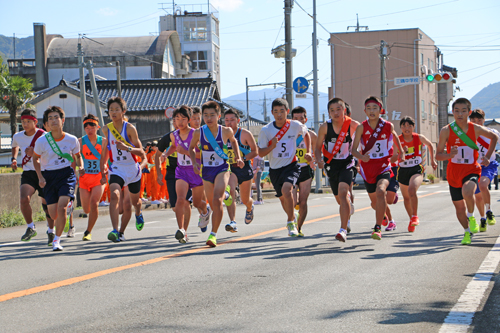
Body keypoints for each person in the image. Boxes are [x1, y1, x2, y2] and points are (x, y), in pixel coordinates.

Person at [436, 98, 498, 245]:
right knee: (459, 208)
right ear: (452, 112)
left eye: (463, 111)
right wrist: (449, 155)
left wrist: (488, 157)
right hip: (453, 173)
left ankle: (471, 217)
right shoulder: (446, 130)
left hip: (471, 169)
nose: (460, 114)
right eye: (456, 110)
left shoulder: (475, 128)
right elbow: (438, 155)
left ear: (468, 112)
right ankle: (466, 231)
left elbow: (494, 137)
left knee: (468, 190)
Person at [190, 101, 243, 247]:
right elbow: (191, 148)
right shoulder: (198, 132)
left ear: (219, 116)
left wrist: (238, 157)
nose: (209, 118)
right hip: (206, 170)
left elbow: (234, 142)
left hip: (222, 168)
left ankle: (213, 234)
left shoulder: (226, 131)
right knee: (213, 203)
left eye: (212, 115)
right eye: (205, 115)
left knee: (216, 198)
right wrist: (194, 162)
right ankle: (227, 196)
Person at [351, 96, 405, 240]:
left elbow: (394, 136)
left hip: (383, 166)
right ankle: (384, 216)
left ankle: (377, 228)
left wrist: (401, 151)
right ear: (364, 111)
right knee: (374, 202)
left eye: (375, 108)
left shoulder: (388, 126)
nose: (372, 111)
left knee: (381, 191)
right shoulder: (361, 127)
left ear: (381, 110)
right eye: (368, 108)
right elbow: (353, 150)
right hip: (368, 168)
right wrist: (361, 158)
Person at [258, 98, 311, 237]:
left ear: (287, 112)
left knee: (287, 189)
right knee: (283, 198)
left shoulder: (295, 125)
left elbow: (307, 135)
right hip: (275, 169)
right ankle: (292, 215)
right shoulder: (266, 130)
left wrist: (309, 151)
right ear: (272, 113)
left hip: (291, 165)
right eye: (276, 112)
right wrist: (271, 146)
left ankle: (290, 221)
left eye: (282, 111)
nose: (279, 114)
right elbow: (260, 152)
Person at [33, 106, 82, 251]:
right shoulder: (42, 141)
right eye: (50, 118)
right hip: (48, 176)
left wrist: (81, 166)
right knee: (53, 214)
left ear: (63, 120)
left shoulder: (72, 139)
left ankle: (57, 240)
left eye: (56, 117)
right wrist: (40, 176)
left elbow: (78, 156)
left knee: (61, 208)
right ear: (46, 124)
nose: (53, 121)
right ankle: (67, 208)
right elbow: (35, 159)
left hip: (66, 174)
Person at [99, 97, 147, 243]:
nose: (113, 112)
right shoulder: (107, 129)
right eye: (111, 110)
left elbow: (142, 153)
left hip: (132, 170)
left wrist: (127, 148)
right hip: (117, 169)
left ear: (123, 111)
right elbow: (106, 150)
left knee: (132, 203)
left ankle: (138, 213)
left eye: (117, 109)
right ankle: (115, 230)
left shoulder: (130, 129)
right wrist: (102, 169)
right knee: (114, 195)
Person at [164, 105, 211, 243]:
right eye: (177, 118)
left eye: (183, 118)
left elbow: (203, 153)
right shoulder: (174, 135)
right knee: (181, 200)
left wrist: (185, 152)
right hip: (181, 171)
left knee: (197, 202)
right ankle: (182, 231)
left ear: (189, 120)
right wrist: (166, 154)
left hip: (196, 170)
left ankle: (205, 210)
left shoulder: (196, 134)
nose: (180, 121)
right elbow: (174, 146)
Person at [316, 98, 359, 242]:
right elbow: (317, 148)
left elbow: (366, 138)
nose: (335, 113)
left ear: (344, 110)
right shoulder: (324, 127)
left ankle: (343, 229)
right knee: (340, 199)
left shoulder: (353, 125)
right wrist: (319, 160)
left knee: (343, 192)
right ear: (328, 112)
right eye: (332, 110)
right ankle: (347, 211)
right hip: (331, 165)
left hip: (348, 163)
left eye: (338, 109)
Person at [12, 109, 55, 245]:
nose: (25, 124)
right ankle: (31, 227)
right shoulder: (18, 136)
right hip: (29, 173)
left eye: (28, 122)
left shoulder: (45, 136)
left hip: (44, 172)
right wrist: (14, 159)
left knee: (47, 205)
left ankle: (51, 230)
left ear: (35, 122)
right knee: (24, 198)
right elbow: (15, 146)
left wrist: (36, 154)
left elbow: (52, 153)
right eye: (23, 122)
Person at [156, 117, 195, 238]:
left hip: (187, 170)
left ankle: (183, 231)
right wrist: (158, 173)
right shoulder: (168, 138)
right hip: (172, 172)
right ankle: (182, 228)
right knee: (175, 206)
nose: (179, 123)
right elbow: (157, 155)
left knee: (185, 202)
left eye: (182, 119)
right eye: (175, 121)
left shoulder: (192, 134)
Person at [397, 116, 437, 232]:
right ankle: (411, 219)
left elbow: (430, 145)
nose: (406, 128)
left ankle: (415, 216)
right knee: (406, 198)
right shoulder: (398, 140)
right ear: (401, 128)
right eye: (404, 126)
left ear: (413, 127)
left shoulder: (419, 137)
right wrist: (401, 153)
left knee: (412, 190)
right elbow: (392, 157)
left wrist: (433, 160)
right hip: (403, 169)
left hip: (416, 168)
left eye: (409, 125)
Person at [223, 108, 258, 232]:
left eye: (232, 120)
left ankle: (250, 207)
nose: (229, 123)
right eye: (226, 120)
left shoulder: (245, 134)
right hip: (229, 169)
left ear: (238, 121)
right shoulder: (221, 134)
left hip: (243, 168)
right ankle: (233, 221)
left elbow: (255, 151)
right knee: (230, 191)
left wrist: (243, 158)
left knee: (244, 199)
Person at [469, 109, 499, 230]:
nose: (476, 122)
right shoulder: (467, 134)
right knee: (478, 196)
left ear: (484, 120)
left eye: (479, 120)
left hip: (489, 165)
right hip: (473, 166)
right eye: (473, 120)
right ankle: (482, 218)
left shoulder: (492, 132)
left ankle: (489, 211)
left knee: (483, 185)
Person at [78, 114, 107, 241]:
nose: (90, 130)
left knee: (94, 203)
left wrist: (105, 168)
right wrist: (78, 168)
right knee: (86, 208)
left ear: (98, 127)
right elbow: (76, 158)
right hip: (84, 177)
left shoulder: (104, 141)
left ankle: (88, 231)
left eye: (92, 127)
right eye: (87, 128)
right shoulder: (80, 142)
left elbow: (106, 158)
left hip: (98, 177)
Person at [291, 106, 317, 237]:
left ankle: (299, 227)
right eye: (296, 119)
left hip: (306, 170)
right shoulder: (288, 134)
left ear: (306, 119)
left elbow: (319, 151)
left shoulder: (311, 135)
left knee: (303, 201)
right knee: (293, 200)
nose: (299, 121)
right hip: (291, 169)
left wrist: (315, 160)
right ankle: (293, 217)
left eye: (301, 118)